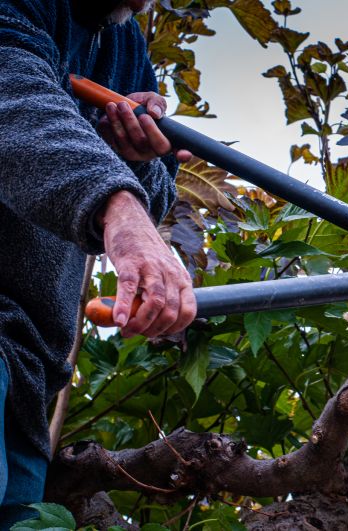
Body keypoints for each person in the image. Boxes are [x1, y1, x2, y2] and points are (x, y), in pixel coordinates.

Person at [0, 0, 197, 526]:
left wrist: (131, 158)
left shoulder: (123, 43)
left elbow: (156, 194)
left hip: (29, 364)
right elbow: (12, 95)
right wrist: (116, 205)